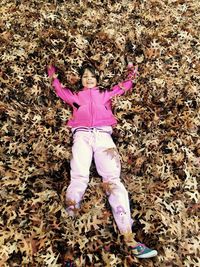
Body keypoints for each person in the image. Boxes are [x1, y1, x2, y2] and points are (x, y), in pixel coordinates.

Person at [47, 62, 158, 259]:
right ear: (80, 80)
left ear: (97, 79)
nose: (88, 79)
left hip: (104, 137)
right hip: (81, 136)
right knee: (79, 178)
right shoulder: (75, 96)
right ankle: (68, 236)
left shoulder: (105, 94)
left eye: (92, 76)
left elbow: (125, 85)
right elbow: (59, 89)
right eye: (85, 77)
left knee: (113, 180)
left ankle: (129, 238)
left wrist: (132, 70)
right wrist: (52, 72)